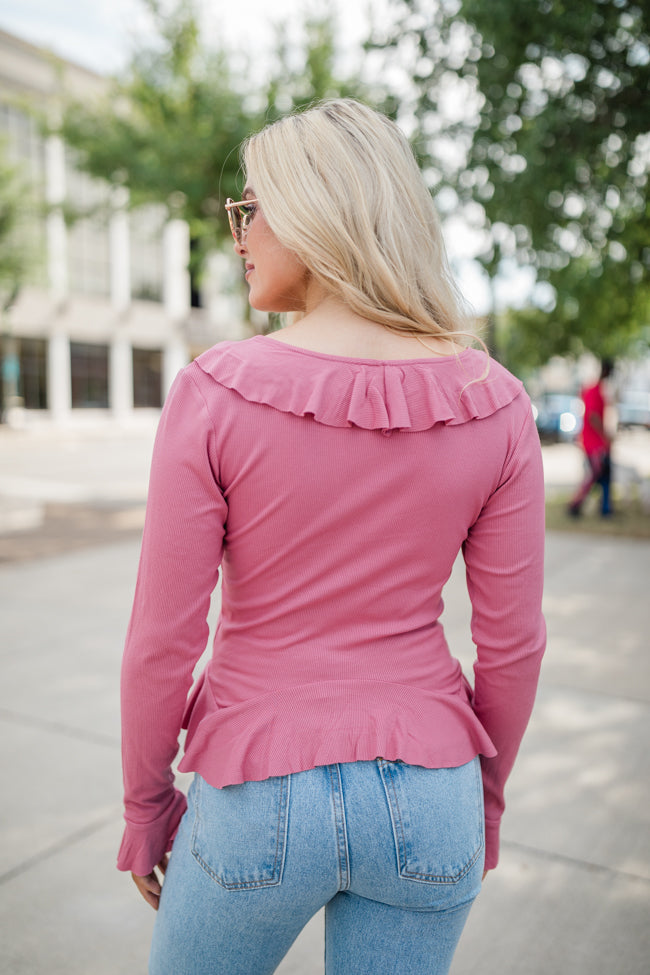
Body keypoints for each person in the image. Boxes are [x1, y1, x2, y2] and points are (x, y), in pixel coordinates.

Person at [118, 99, 546, 975]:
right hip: (435, 786)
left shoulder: (217, 391)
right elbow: (512, 648)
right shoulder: (498, 403)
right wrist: (485, 801)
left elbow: (162, 642)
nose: (238, 235)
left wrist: (145, 803)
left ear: (313, 213)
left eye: (250, 209)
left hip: (256, 785)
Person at [568, 358, 614, 517]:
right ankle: (575, 505)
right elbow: (593, 417)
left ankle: (605, 508)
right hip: (593, 442)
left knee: (602, 475)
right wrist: (605, 436)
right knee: (594, 474)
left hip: (594, 440)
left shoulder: (596, 389)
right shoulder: (594, 390)